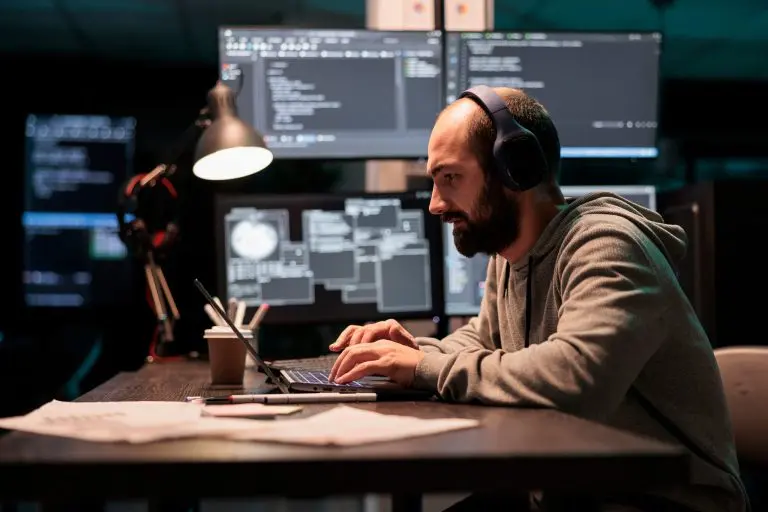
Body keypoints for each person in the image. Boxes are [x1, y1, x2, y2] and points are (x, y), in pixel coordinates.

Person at [328, 86, 748, 511]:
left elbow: (574, 379)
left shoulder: (607, 245)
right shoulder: (511, 255)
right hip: (574, 488)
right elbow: (482, 339)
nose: (436, 204)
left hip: (663, 498)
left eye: (450, 177)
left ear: (516, 169)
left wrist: (423, 368)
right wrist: (410, 353)